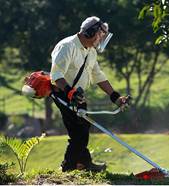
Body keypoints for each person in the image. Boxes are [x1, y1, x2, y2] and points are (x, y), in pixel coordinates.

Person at [50, 16, 128, 172]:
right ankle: (68, 168)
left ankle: (84, 163)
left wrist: (115, 97)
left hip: (77, 95)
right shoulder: (67, 46)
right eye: (101, 35)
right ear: (91, 32)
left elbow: (98, 75)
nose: (101, 39)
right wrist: (69, 92)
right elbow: (56, 75)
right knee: (78, 131)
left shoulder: (91, 52)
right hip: (63, 93)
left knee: (83, 127)